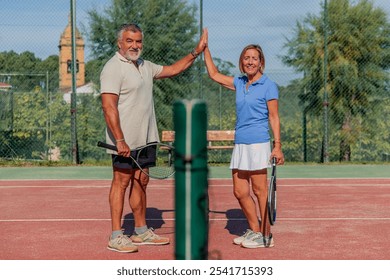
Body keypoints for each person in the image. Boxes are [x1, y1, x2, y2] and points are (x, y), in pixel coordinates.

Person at [100, 23, 207, 253]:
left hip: (147, 138)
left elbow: (173, 69)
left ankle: (140, 231)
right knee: (122, 182)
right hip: (123, 141)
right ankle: (116, 236)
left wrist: (196, 52)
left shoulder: (145, 66)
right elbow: (108, 107)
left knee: (141, 181)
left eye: (138, 41)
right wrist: (119, 139)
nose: (135, 45)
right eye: (129, 41)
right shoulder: (112, 68)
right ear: (120, 43)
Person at [203, 29, 284, 248]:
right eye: (246, 58)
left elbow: (274, 117)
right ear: (242, 62)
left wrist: (277, 146)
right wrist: (205, 49)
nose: (250, 62)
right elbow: (214, 74)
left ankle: (266, 236)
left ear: (261, 63)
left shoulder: (269, 85)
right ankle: (255, 230)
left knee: (259, 191)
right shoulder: (239, 83)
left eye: (254, 58)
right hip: (241, 143)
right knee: (239, 191)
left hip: (259, 143)